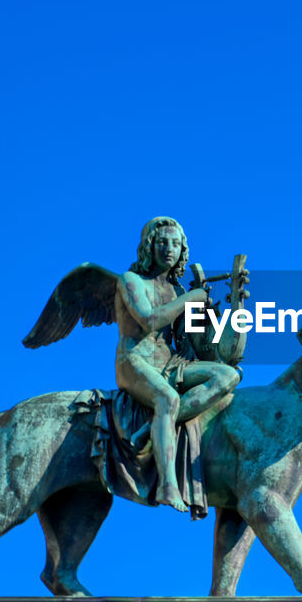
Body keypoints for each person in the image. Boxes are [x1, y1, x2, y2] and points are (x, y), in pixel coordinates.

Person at [116, 217, 240, 512]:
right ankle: (168, 485)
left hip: (171, 363)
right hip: (135, 361)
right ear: (149, 246)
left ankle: (150, 430)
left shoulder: (178, 291)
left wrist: (234, 306)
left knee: (228, 376)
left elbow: (209, 350)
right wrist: (191, 299)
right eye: (162, 242)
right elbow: (149, 320)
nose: (169, 249)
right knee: (167, 398)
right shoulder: (130, 281)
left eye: (176, 244)